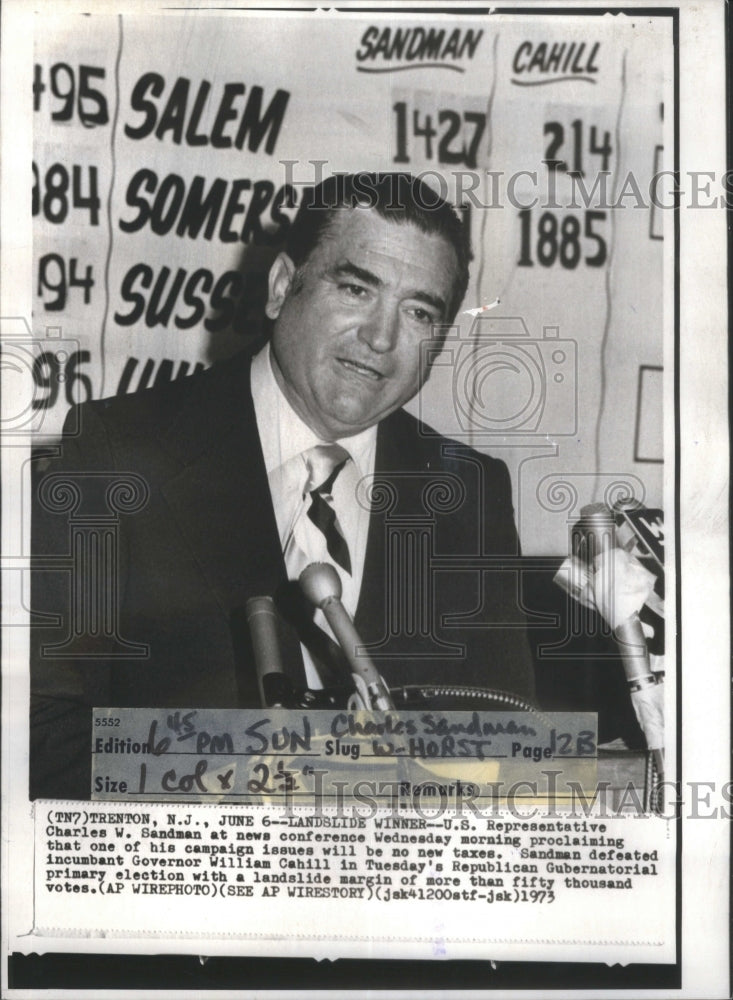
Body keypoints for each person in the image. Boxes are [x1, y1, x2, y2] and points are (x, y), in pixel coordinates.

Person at [30, 173, 536, 800]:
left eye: (418, 312)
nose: (381, 337)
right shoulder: (117, 453)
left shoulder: (471, 491)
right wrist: (257, 776)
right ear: (279, 287)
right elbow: (40, 734)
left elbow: (507, 749)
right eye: (356, 288)